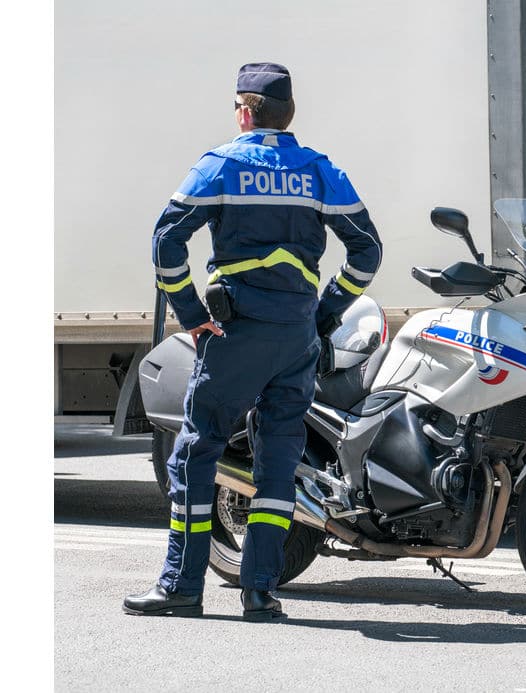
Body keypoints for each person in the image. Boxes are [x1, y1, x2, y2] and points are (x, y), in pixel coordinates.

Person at [123, 62, 382, 621]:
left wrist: (191, 313)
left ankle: (181, 587)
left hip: (236, 332)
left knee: (198, 453)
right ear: (289, 112)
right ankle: (260, 592)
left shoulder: (221, 165)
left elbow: (167, 239)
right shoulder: (318, 170)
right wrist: (325, 311)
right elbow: (367, 251)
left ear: (244, 110)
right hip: (296, 338)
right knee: (277, 463)